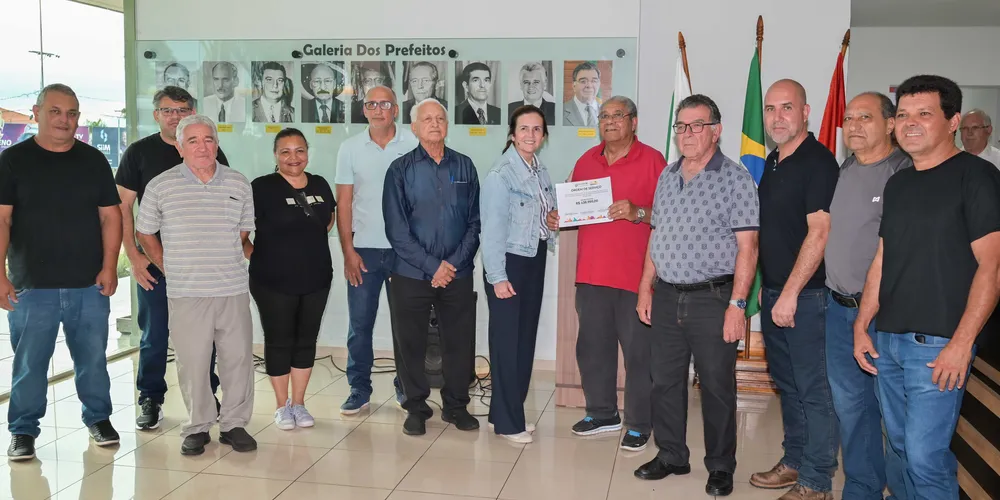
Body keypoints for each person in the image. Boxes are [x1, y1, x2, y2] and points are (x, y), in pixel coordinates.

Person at [853, 75, 1000, 500]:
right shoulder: (898, 183)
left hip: (938, 348)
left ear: (952, 121)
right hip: (889, 342)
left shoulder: (977, 178)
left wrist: (961, 343)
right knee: (899, 450)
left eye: (924, 114)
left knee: (923, 457)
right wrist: (862, 324)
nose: (909, 124)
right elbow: (883, 258)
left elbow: (991, 267)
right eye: (902, 115)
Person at [632, 95, 759, 497]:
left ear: (716, 130)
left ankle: (720, 465)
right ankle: (672, 454)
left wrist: (738, 305)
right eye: (681, 126)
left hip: (713, 299)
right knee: (664, 382)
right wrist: (644, 286)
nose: (687, 134)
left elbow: (748, 248)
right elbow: (658, 235)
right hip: (667, 295)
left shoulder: (735, 179)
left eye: (697, 125)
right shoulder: (667, 176)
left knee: (717, 386)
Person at [0, 84, 123, 461]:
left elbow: (111, 215)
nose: (64, 120)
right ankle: (23, 430)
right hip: (30, 285)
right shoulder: (12, 161)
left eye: (71, 113)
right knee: (29, 364)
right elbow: (2, 219)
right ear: (36, 114)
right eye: (55, 112)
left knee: (93, 359)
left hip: (88, 282)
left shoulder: (93, 161)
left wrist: (108, 267)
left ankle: (98, 418)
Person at [135, 114, 257, 456]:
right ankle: (198, 426)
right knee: (193, 363)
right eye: (193, 141)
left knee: (237, 360)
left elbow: (243, 231)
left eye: (208, 140)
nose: (202, 147)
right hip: (187, 291)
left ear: (217, 144)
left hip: (231, 287)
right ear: (179, 146)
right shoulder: (161, 185)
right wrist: (167, 266)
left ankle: (234, 424)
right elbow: (144, 232)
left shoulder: (238, 182)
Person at [553, 96, 664, 451]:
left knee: (638, 355)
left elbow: (669, 216)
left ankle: (639, 422)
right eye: (604, 116)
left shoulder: (653, 161)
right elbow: (570, 207)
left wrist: (638, 212)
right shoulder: (586, 161)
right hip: (591, 274)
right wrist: (557, 217)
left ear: (634, 122)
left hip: (636, 277)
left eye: (618, 115)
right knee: (592, 349)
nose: (610, 121)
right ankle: (602, 413)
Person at [117, 86, 229, 430]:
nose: (175, 116)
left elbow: (222, 202)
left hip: (199, 265)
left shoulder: (210, 151)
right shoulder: (139, 153)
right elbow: (121, 206)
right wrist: (133, 255)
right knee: (154, 334)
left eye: (182, 110)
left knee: (204, 335)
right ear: (157, 115)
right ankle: (151, 398)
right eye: (168, 111)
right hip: (154, 263)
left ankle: (206, 397)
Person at [752, 79, 840, 500]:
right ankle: (795, 462)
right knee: (787, 387)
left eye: (787, 107)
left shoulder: (818, 162)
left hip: (806, 298)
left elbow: (819, 232)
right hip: (774, 293)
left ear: (806, 112)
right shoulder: (773, 161)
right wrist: (771, 292)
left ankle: (817, 481)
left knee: (814, 391)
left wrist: (789, 293)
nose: (777, 117)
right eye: (770, 109)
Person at [824, 92, 910, 500]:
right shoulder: (846, 168)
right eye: (848, 117)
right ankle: (861, 488)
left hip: (882, 316)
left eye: (865, 117)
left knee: (894, 416)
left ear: (891, 124)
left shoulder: (904, 173)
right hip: (837, 308)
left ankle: (904, 490)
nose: (853, 125)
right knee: (850, 408)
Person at [383, 98, 481, 436]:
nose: (435, 123)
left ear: (448, 124)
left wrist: (450, 265)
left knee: (458, 341)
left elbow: (474, 223)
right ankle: (416, 407)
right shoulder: (399, 170)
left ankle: (456, 406)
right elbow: (396, 230)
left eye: (441, 117)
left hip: (457, 272)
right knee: (409, 343)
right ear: (414, 127)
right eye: (427, 119)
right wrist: (431, 266)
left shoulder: (465, 166)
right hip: (411, 273)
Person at [335, 85, 415, 414]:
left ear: (396, 109)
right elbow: (344, 204)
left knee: (406, 324)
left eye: (385, 103)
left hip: (404, 253)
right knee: (360, 324)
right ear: (364, 109)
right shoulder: (350, 148)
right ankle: (359, 388)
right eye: (371, 104)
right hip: (364, 251)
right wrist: (348, 252)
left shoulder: (413, 142)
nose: (378, 109)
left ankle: (406, 386)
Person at [481, 105, 557, 444]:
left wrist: (552, 223)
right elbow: (492, 230)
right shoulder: (502, 174)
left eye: (536, 129)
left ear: (543, 136)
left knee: (523, 340)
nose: (530, 135)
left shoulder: (540, 171)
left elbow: (541, 219)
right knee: (507, 344)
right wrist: (497, 276)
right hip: (508, 264)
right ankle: (510, 423)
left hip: (533, 258)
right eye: (523, 129)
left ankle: (502, 411)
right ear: (512, 134)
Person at [249, 128, 334, 430]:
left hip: (317, 278)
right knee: (279, 341)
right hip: (272, 281)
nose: (293, 157)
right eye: (285, 151)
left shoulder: (321, 184)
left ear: (307, 152)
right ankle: (280, 406)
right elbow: (241, 234)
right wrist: (261, 258)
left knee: (305, 341)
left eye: (299, 150)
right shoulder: (261, 187)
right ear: (276, 155)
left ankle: (299, 404)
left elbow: (327, 220)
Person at [563, 62, 601, 127]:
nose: (589, 85)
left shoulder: (605, 110)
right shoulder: (561, 111)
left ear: (599, 84)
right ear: (574, 85)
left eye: (594, 81)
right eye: (583, 81)